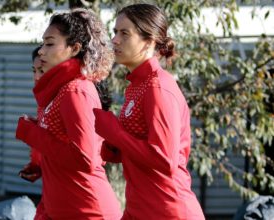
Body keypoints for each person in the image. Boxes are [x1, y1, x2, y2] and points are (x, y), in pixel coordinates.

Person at [93, 3, 205, 220]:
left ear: (149, 40)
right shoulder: (137, 85)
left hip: (168, 211)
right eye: (115, 32)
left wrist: (115, 133)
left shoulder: (158, 87)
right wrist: (111, 147)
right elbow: (137, 148)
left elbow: (164, 160)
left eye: (124, 33)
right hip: (140, 208)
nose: (115, 40)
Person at [15, 8, 122, 220]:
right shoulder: (58, 91)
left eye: (50, 43)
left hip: (87, 210)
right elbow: (59, 142)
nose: (42, 51)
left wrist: (32, 133)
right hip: (60, 207)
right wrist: (39, 163)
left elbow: (85, 159)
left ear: (74, 48)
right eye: (43, 43)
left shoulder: (76, 90)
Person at [18, 46, 43, 183]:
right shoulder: (44, 102)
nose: (36, 77)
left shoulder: (69, 97)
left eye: (42, 70)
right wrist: (36, 165)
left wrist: (33, 132)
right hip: (53, 188)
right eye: (34, 71)